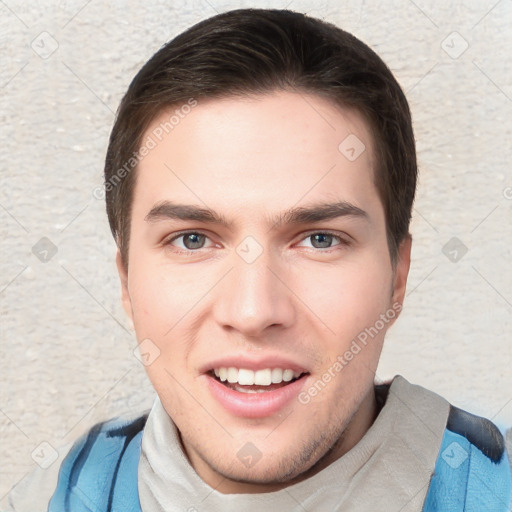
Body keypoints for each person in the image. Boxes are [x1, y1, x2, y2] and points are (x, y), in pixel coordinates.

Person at [10, 7, 512, 512]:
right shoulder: (50, 495)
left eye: (319, 239)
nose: (252, 312)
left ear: (397, 276)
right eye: (192, 240)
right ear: (126, 279)